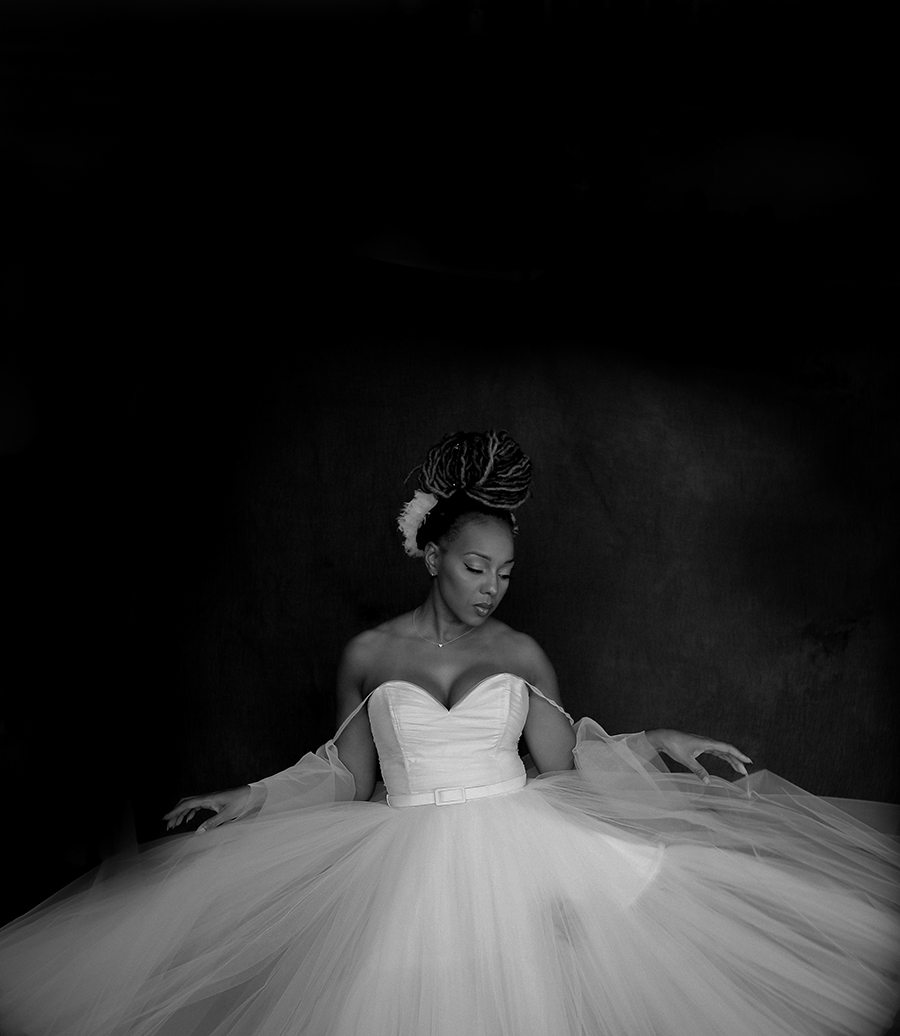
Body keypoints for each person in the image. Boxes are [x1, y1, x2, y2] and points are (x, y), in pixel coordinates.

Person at [0, 429, 898, 1036]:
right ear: (431, 554)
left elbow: (563, 764)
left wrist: (656, 738)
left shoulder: (523, 653)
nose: (492, 585)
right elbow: (346, 773)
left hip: (521, 850)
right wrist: (253, 797)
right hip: (405, 865)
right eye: (476, 566)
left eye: (506, 571)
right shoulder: (369, 654)